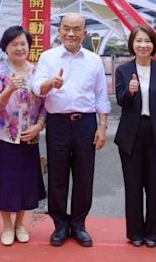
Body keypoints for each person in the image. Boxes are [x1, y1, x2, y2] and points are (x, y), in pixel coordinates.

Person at [33, 13, 111, 247]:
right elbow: (37, 88)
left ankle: (78, 224)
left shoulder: (94, 60)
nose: (71, 33)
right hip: (57, 123)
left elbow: (101, 96)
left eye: (76, 29)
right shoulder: (48, 57)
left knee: (84, 175)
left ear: (85, 33)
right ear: (59, 31)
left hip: (86, 123)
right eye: (66, 28)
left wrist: (103, 126)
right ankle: (59, 225)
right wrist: (50, 84)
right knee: (57, 175)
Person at [0, 26, 46, 246]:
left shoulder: (38, 72)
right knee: (6, 182)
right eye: (14, 44)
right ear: (5, 48)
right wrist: (9, 89)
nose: (19, 48)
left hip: (29, 137)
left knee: (25, 182)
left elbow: (46, 104)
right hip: (3, 137)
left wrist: (39, 126)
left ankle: (20, 224)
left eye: (23, 44)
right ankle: (7, 225)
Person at [114, 24, 156, 248]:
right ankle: (135, 233)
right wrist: (130, 92)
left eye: (147, 41)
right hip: (131, 132)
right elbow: (121, 100)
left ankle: (154, 233)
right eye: (138, 41)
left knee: (155, 185)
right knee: (133, 185)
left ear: (154, 45)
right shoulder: (123, 70)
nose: (143, 45)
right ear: (132, 44)